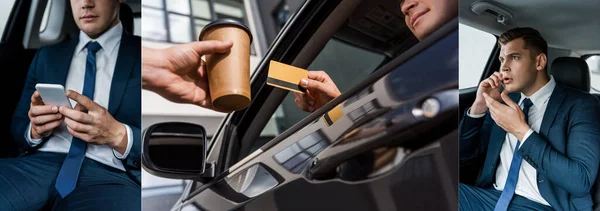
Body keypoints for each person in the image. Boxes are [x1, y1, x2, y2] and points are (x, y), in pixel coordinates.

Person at [141, 0, 458, 112]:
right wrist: (337, 107)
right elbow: (383, 135)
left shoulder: (445, 68)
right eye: (401, 0)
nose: (404, 5)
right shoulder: (417, 71)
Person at [0, 0, 141, 210]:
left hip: (112, 177)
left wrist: (118, 134)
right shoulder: (47, 56)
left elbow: (160, 139)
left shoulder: (147, 56)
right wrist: (35, 130)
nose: (86, 4)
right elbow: (19, 125)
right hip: (33, 167)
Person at [459, 27, 600, 210]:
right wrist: (479, 106)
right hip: (489, 197)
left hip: (543, 206)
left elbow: (580, 180)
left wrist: (521, 131)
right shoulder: (504, 100)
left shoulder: (581, 105)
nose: (504, 67)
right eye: (502, 59)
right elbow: (463, 155)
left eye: (515, 57)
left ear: (540, 62)